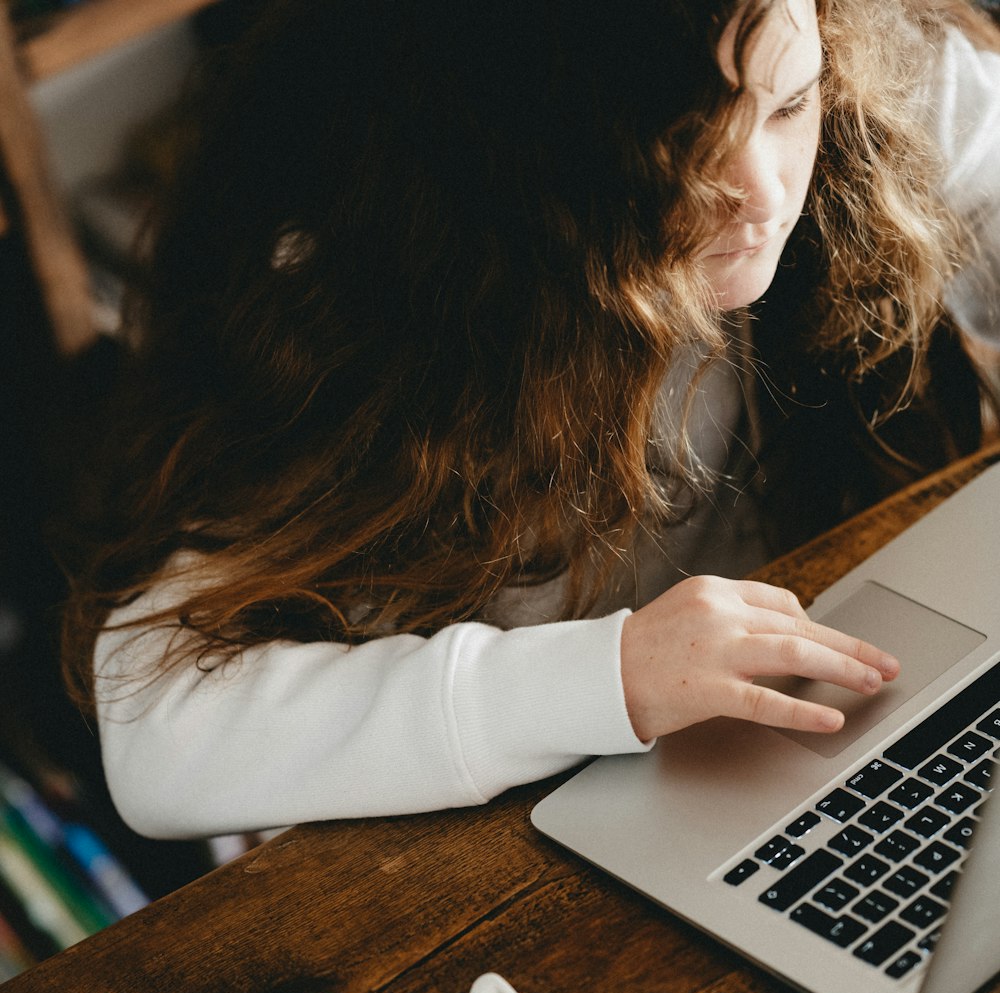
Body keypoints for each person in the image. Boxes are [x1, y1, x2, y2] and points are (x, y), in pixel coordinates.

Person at [62, 0, 1000, 839]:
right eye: (681, 147)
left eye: (789, 107)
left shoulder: (855, 81)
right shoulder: (379, 308)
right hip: (518, 824)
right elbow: (158, 730)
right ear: (528, 151)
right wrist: (612, 678)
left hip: (803, 734)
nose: (761, 194)